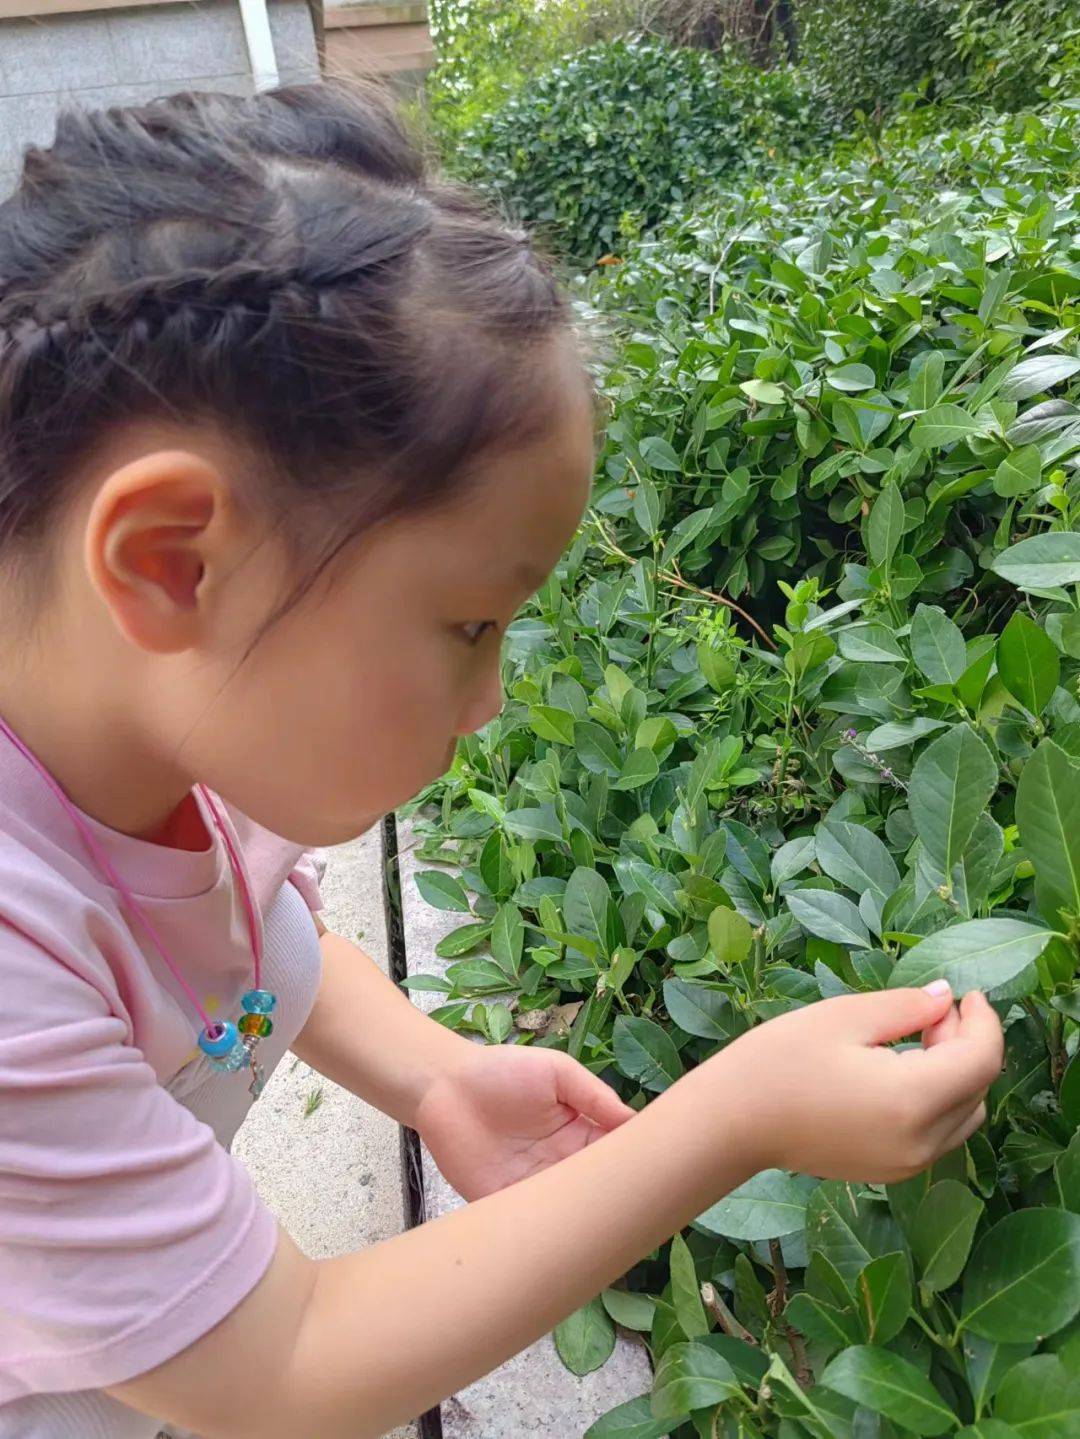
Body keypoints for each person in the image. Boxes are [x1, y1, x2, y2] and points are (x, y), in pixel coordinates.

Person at [0, 80, 1003, 1439]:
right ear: (175, 560)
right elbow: (281, 1367)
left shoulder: (137, 716)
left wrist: (432, 1074)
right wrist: (726, 1123)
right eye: (469, 625)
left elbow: (235, 940)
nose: (491, 701)